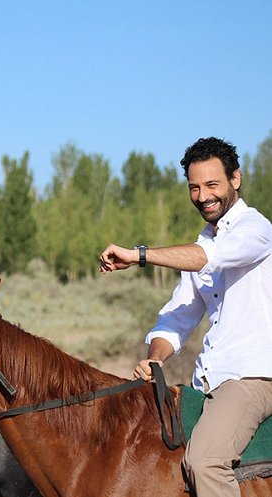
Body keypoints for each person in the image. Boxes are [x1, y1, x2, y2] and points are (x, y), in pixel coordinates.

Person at [99, 137, 272, 496]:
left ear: (235, 180)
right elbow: (177, 317)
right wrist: (154, 358)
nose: (203, 195)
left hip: (253, 377)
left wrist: (138, 256)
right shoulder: (204, 241)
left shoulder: (256, 230)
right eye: (194, 187)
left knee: (205, 463)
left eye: (212, 184)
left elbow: (210, 257)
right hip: (207, 380)